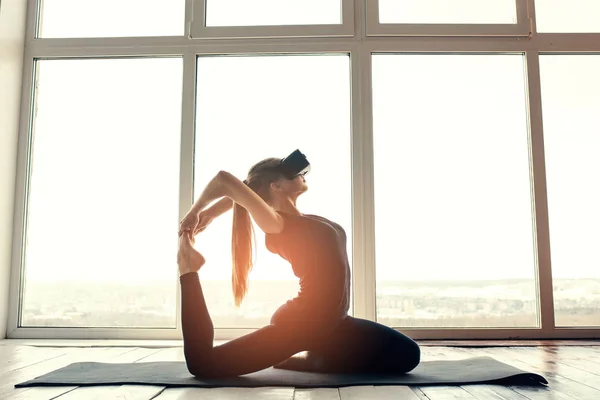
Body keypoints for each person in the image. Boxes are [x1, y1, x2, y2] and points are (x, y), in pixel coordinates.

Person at [177, 150, 420, 378]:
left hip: (335, 322)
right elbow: (223, 180)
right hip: (301, 325)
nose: (303, 175)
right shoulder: (278, 225)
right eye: (295, 174)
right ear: (277, 186)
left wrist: (212, 213)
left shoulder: (306, 219)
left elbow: (243, 191)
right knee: (203, 363)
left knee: (409, 355)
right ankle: (189, 269)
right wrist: (197, 211)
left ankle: (315, 359)